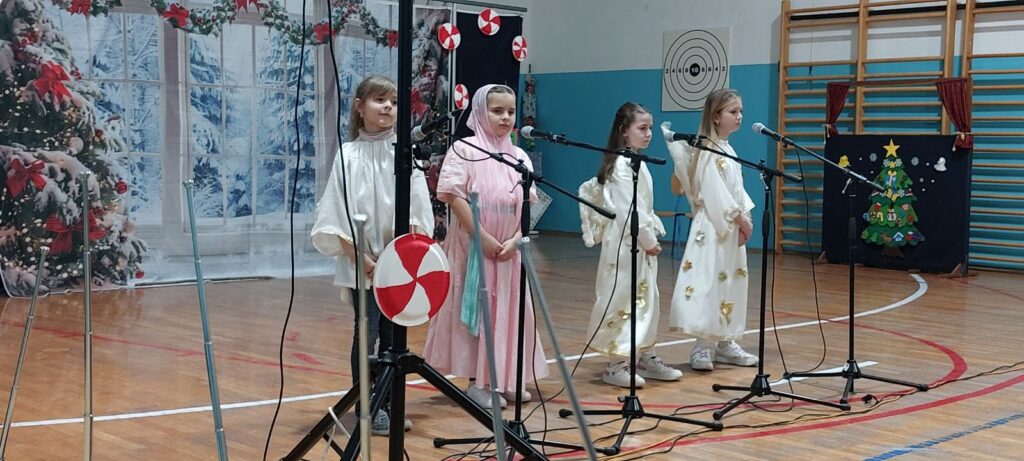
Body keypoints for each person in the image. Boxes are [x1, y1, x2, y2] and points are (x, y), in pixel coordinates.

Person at [310, 75, 434, 435]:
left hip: (398, 264)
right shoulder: (348, 156)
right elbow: (335, 214)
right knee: (367, 333)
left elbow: (418, 212)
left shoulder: (404, 155)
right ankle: (367, 406)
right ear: (359, 107)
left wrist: (399, 259)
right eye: (379, 100)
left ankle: (389, 402)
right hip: (361, 263)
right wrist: (361, 258)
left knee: (395, 338)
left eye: (393, 102)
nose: (388, 107)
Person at [422, 84, 548, 409]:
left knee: (509, 311)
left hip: (509, 252)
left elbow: (527, 203)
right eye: (497, 111)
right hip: (474, 248)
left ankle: (507, 376)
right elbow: (454, 197)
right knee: (479, 312)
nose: (506, 117)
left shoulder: (519, 156)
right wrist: (484, 237)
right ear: (480, 112)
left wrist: (516, 238)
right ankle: (478, 381)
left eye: (510, 111)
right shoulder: (464, 149)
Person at [578, 102, 683, 388]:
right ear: (624, 131)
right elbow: (628, 211)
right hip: (625, 244)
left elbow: (643, 207)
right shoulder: (622, 167)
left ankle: (644, 354)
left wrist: (649, 237)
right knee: (622, 298)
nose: (648, 134)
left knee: (647, 299)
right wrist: (647, 240)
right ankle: (616, 363)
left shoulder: (636, 162)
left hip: (638, 243)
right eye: (642, 128)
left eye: (650, 128)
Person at [664, 88, 758, 371]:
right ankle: (702, 346)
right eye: (733, 111)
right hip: (713, 228)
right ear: (716, 117)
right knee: (709, 283)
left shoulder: (728, 149)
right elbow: (714, 191)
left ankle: (726, 342)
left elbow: (737, 190)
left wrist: (746, 216)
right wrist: (739, 218)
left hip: (731, 226)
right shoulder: (706, 149)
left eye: (741, 111)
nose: (739, 116)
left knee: (730, 282)